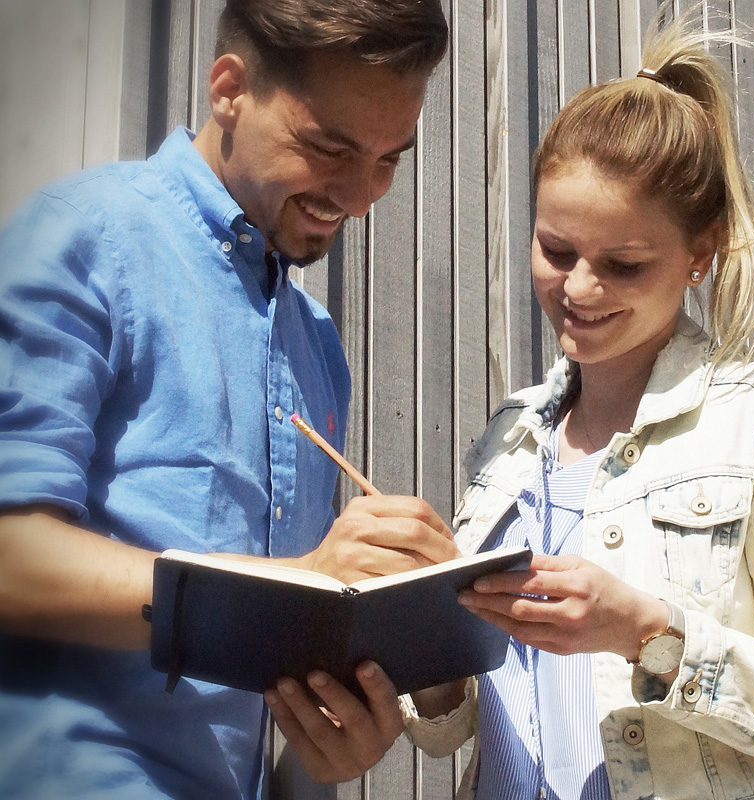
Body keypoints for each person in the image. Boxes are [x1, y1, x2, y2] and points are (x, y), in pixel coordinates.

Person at [0, 1, 458, 798]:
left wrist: (329, 753)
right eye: (329, 148)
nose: (360, 196)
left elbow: (269, 707)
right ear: (228, 90)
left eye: (390, 160)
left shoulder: (315, 347)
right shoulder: (85, 237)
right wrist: (293, 590)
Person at [400, 10, 754, 800]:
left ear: (702, 253)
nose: (578, 289)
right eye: (556, 251)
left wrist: (647, 635)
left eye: (622, 264)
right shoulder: (509, 438)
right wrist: (420, 632)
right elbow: (455, 725)